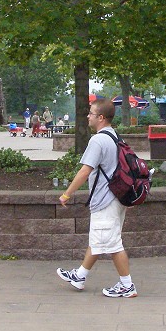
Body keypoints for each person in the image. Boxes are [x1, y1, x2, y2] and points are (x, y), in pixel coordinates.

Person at [56, 99, 137, 298]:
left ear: (100, 117)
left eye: (91, 113)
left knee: (113, 244)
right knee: (100, 239)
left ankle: (127, 285)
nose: (88, 117)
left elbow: (85, 171)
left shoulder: (98, 140)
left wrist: (67, 194)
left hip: (105, 199)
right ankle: (80, 276)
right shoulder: (115, 136)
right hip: (116, 197)